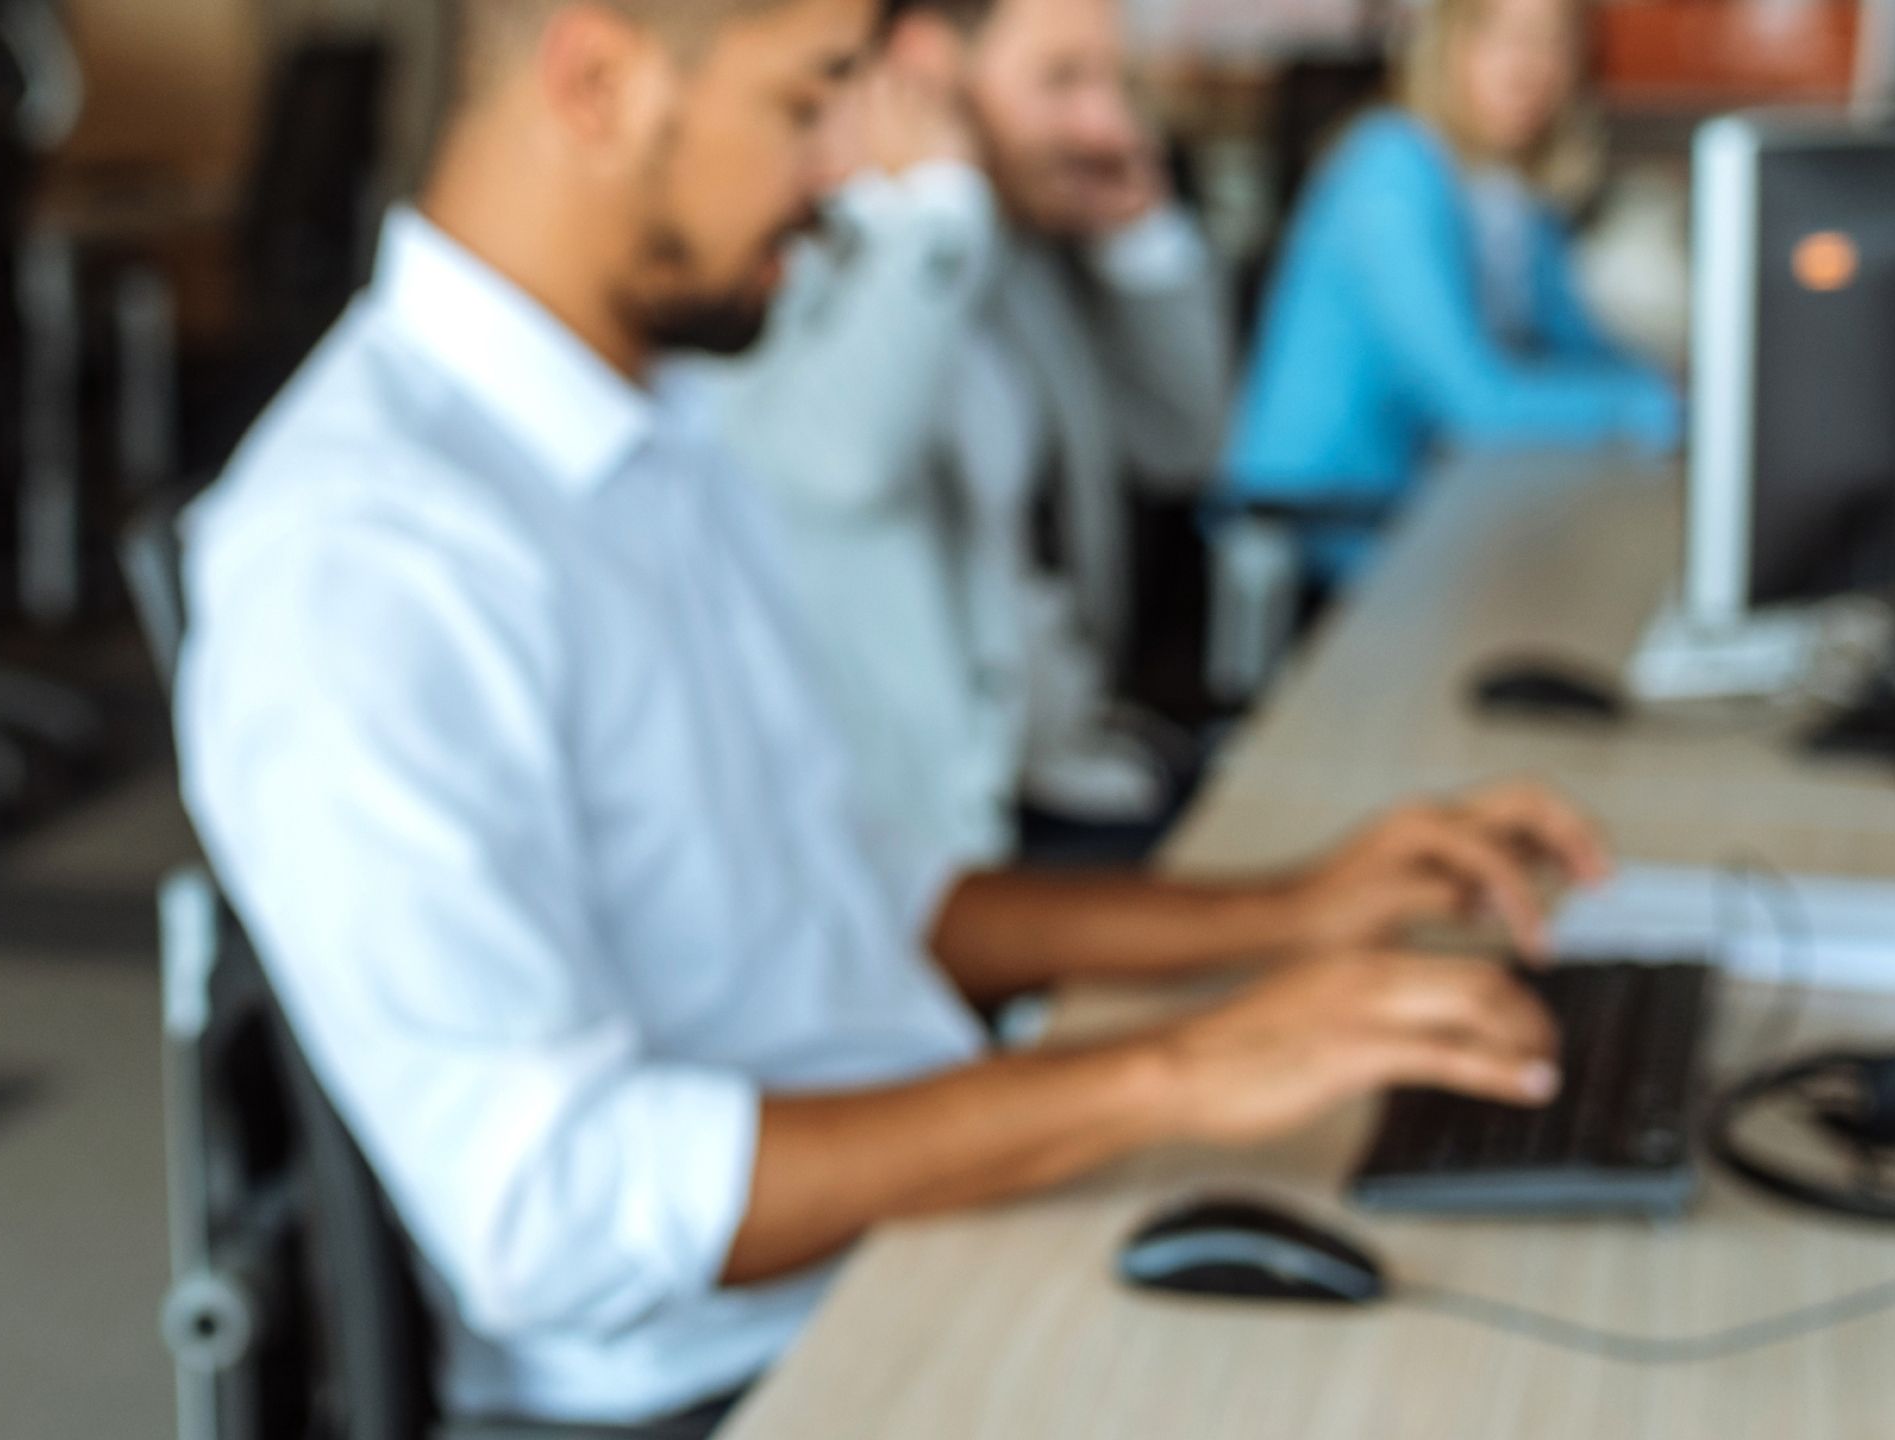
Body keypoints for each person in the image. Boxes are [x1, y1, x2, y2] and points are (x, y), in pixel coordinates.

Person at [173, 0, 1607, 1429]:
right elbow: (551, 1211)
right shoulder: (363, 553)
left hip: (919, 1233)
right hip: (740, 1377)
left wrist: (1288, 916)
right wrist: (1169, 1070)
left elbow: (864, 892)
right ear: (597, 81)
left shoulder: (650, 431)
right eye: (805, 108)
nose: (842, 177)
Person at [690, 0, 1232, 870]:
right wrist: (937, 209)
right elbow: (839, 465)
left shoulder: (1023, 253)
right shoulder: (805, 253)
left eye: (1117, 83)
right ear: (925, 69)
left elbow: (1182, 444)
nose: (1108, 125)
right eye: (1062, 81)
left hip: (1076, 772)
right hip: (928, 844)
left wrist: (1143, 243)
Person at [1224, 0, 1675, 582]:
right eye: (1500, 37)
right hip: (1323, 526)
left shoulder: (1506, 190)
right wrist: (1654, 405)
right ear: (1446, 47)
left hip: (1428, 501)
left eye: (1552, 42)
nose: (1528, 65)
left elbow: (1574, 344)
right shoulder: (1389, 167)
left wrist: (1675, 382)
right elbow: (1478, 401)